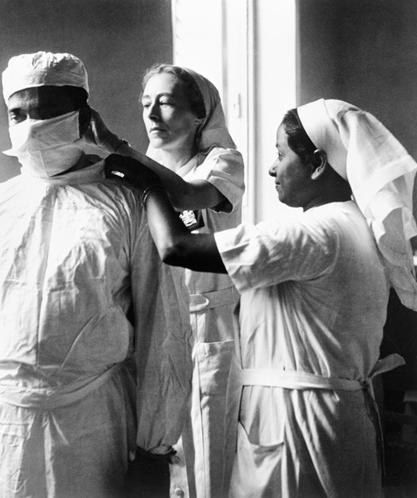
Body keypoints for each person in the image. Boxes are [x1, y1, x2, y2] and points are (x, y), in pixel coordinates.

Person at [105, 98, 417, 497]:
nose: (272, 167)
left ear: (319, 162)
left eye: (281, 153)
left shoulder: (315, 234)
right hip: (337, 417)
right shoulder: (353, 224)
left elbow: (177, 247)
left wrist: (148, 184)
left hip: (298, 424)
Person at [0, 51, 192, 498]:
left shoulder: (127, 205)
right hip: (4, 422)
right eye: (17, 112)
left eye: (46, 111)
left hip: (94, 420)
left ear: (82, 116)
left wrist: (154, 448)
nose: (30, 126)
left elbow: (163, 331)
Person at [86, 63, 245, 498]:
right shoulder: (139, 170)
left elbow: (185, 194)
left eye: (167, 102)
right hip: (152, 329)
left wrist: (115, 148)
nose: (152, 114)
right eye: (145, 104)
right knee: (153, 455)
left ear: (200, 115)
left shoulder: (222, 163)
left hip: (207, 329)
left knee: (206, 459)